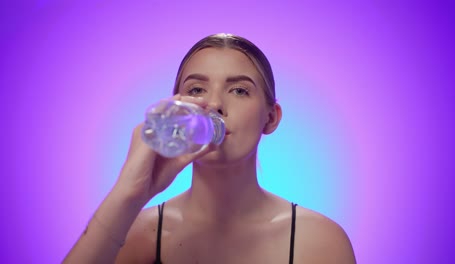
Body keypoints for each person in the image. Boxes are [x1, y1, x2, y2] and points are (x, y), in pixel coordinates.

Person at [64, 33, 356, 264]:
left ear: (270, 118)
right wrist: (127, 196)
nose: (213, 104)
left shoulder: (319, 242)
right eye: (196, 90)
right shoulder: (137, 234)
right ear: (178, 109)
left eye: (239, 90)